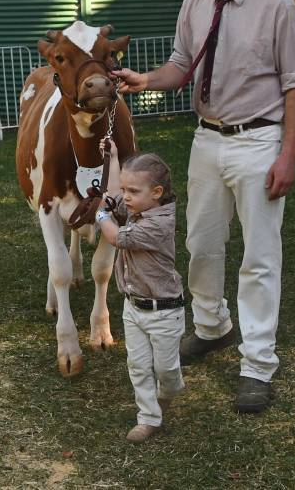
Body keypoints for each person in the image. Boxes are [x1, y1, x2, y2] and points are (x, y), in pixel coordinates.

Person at [112, 0, 295, 414]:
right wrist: (145, 80)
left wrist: (288, 155)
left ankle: (258, 365)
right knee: (201, 244)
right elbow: (182, 66)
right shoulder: (196, 1)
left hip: (259, 142)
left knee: (260, 257)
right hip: (208, 139)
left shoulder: (276, 4)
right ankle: (211, 327)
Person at [94, 144, 184, 443]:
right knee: (138, 366)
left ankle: (168, 391)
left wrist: (101, 216)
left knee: (166, 371)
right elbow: (114, 199)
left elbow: (117, 237)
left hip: (165, 312)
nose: (126, 197)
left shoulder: (159, 223)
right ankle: (148, 418)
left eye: (132, 191)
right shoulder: (140, 205)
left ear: (157, 192)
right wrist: (113, 158)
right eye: (125, 189)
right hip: (133, 308)